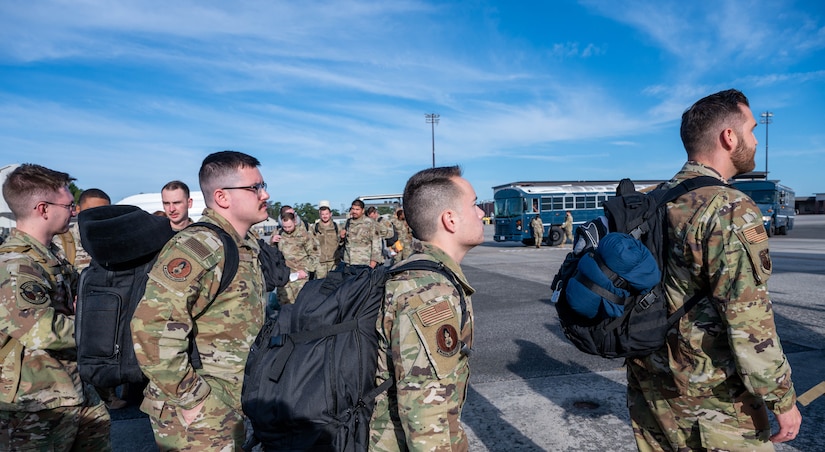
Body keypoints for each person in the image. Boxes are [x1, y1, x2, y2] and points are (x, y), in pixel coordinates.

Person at [626, 89, 802, 450]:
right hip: (713, 396)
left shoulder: (649, 199)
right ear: (729, 137)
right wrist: (781, 398)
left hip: (650, 384)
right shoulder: (729, 207)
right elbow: (747, 319)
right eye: (751, 130)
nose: (754, 140)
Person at [131, 151, 270, 451]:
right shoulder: (200, 246)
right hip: (201, 416)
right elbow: (151, 328)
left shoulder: (243, 244)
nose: (265, 194)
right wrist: (194, 399)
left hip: (234, 403)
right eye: (255, 187)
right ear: (222, 196)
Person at [369, 166, 483, 450]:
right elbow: (428, 417)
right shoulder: (430, 293)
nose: (481, 213)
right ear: (450, 220)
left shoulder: (419, 273)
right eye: (474, 204)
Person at [0, 164, 111, 451]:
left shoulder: (50, 256)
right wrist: (103, 329)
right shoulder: (16, 266)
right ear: (43, 209)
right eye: (69, 205)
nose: (74, 212)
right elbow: (40, 330)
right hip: (35, 401)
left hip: (72, 387)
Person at [53, 188, 111, 270]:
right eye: (92, 211)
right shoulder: (61, 242)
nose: (98, 215)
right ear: (78, 209)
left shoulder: (114, 240)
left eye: (104, 211)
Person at [271, 211, 318, 304]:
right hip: (284, 277)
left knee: (302, 304)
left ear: (295, 222)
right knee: (285, 305)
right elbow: (272, 255)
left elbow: (315, 254)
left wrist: (305, 270)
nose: (287, 229)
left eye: (289, 226)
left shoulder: (304, 235)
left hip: (300, 277)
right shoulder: (279, 233)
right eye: (285, 227)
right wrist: (272, 243)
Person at [339, 198, 382, 269]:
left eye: (357, 209)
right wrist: (341, 237)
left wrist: (373, 262)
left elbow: (376, 244)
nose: (354, 211)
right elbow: (342, 243)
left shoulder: (371, 223)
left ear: (362, 210)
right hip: (349, 263)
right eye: (353, 209)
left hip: (364, 263)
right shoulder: (347, 223)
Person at [312, 202, 340, 279]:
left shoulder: (336, 226)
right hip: (320, 263)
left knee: (334, 283)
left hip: (334, 262)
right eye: (323, 214)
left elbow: (341, 241)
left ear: (330, 214)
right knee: (320, 284)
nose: (325, 216)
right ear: (319, 215)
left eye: (326, 214)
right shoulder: (315, 227)